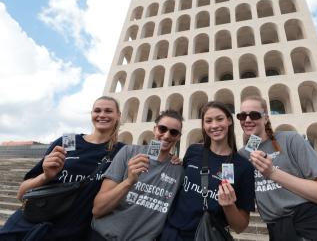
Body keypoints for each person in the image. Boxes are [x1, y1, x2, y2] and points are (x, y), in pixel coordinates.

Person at [0, 96, 125, 241]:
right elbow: (21, 194)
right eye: (97, 110)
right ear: (91, 114)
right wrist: (46, 176)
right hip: (28, 224)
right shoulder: (69, 141)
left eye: (108, 111)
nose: (102, 115)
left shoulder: (120, 152)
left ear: (118, 115)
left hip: (69, 232)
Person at [237, 96, 317, 241]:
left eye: (254, 115)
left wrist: (272, 173)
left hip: (313, 224)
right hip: (278, 230)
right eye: (242, 116)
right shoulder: (243, 154)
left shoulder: (290, 139)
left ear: (265, 118)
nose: (247, 120)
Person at [159, 101, 255, 241]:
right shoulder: (193, 151)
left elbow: (240, 227)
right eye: (208, 121)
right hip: (171, 232)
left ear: (229, 121)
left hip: (205, 236)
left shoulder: (243, 167)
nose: (214, 125)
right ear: (203, 125)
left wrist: (229, 206)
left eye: (219, 119)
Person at [90, 110, 184, 241]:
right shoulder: (129, 152)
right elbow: (98, 209)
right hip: (103, 236)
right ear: (154, 129)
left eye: (173, 132)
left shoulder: (179, 170)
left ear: (178, 137)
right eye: (162, 129)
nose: (167, 135)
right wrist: (129, 182)